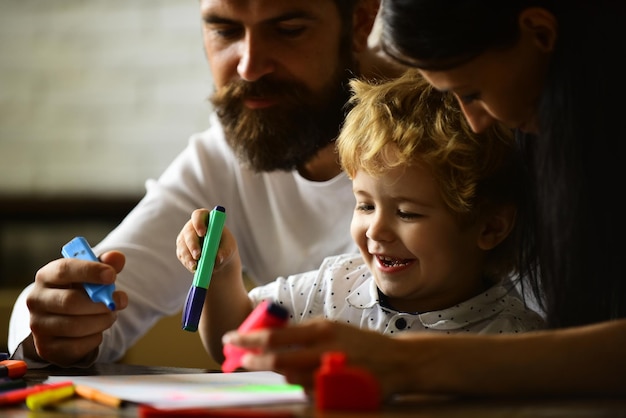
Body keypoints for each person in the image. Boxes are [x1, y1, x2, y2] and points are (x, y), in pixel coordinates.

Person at [220, 0, 626, 398]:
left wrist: (408, 363)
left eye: (471, 91)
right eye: (364, 204)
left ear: (539, 33)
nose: (477, 121)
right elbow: (234, 335)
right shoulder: (335, 285)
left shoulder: (512, 321)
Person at [7, 0, 405, 368]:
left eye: (287, 29)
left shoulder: (454, 123)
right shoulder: (230, 152)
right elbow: (102, 290)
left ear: (359, 20)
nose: (249, 67)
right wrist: (51, 319)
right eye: (226, 31)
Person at [176, 69, 544, 364]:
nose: (377, 230)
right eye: (365, 206)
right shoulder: (332, 286)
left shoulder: (517, 342)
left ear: (491, 226)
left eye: (407, 213)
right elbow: (239, 344)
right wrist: (223, 272)